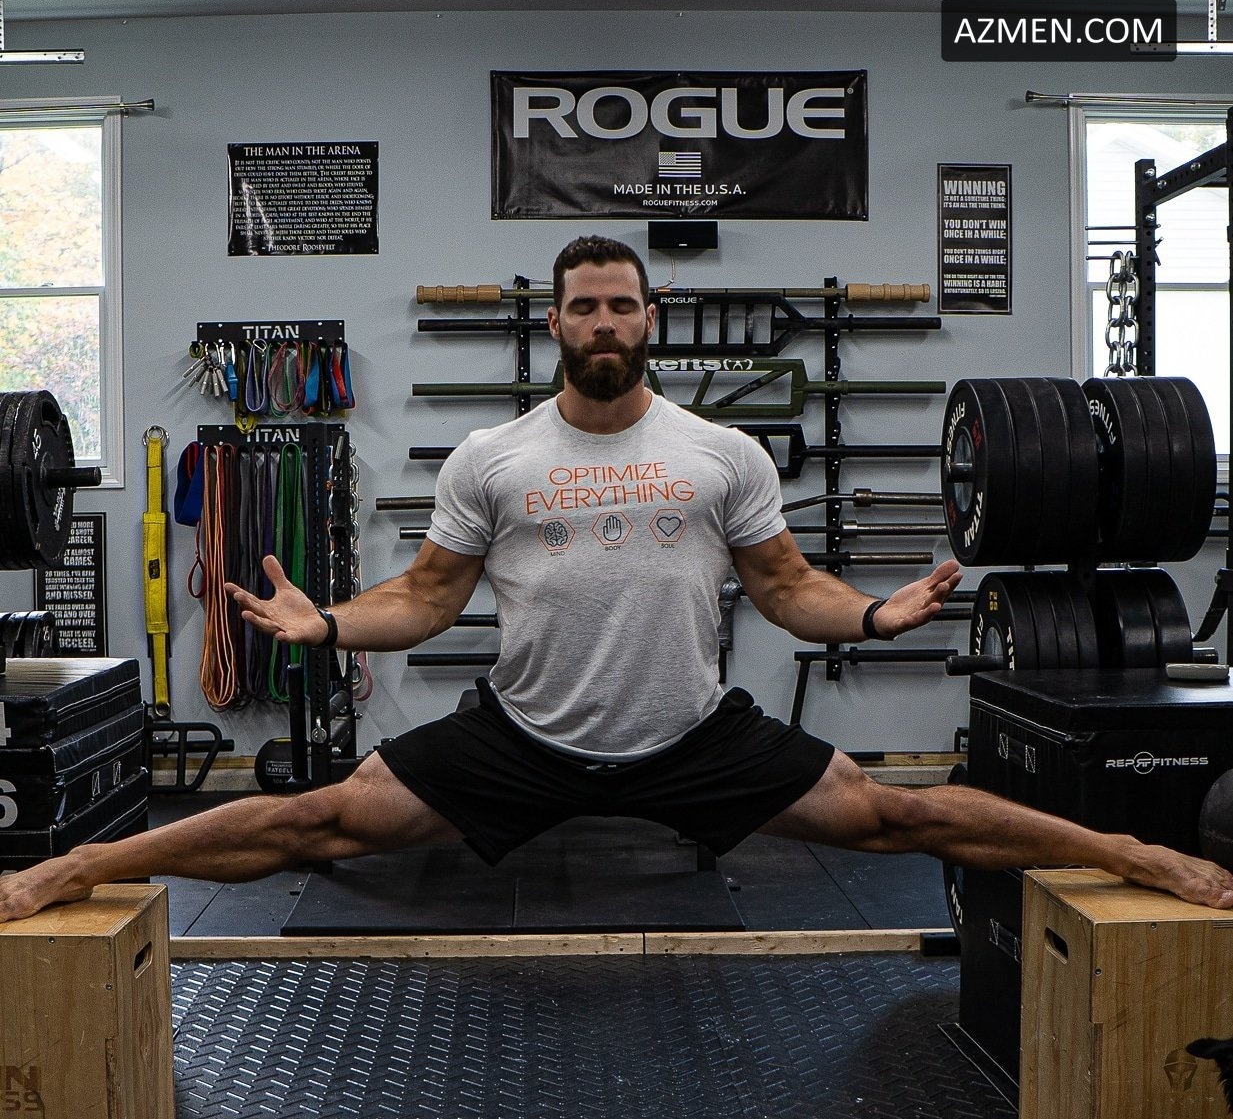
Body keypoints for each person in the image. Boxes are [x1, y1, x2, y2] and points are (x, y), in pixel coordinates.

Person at [1, 234, 1231, 925]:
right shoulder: (494, 456)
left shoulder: (723, 453)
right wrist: (325, 622)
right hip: (523, 736)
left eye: (620, 306)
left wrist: (869, 611)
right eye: (582, 307)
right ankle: (73, 866)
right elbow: (425, 598)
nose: (602, 322)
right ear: (556, 323)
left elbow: (786, 586)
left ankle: (1136, 852)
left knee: (900, 815)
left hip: (690, 734)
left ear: (653, 319)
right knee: (312, 821)